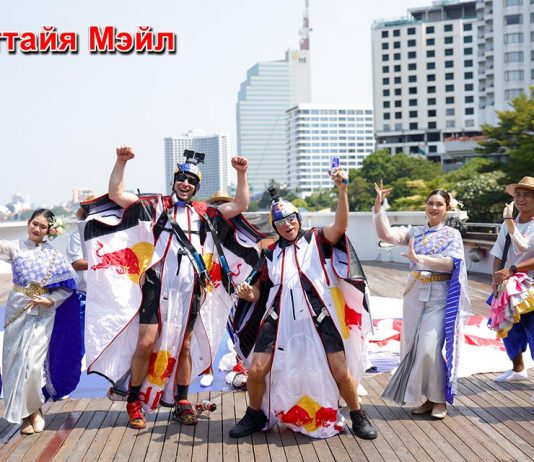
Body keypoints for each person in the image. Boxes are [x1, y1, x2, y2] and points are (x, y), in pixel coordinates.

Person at [84, 145, 259, 430]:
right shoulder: (156, 206)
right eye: (181, 178)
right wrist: (121, 161)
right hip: (156, 285)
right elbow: (116, 194)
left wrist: (242, 173)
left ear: (197, 187)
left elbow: (240, 204)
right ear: (174, 181)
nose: (185, 184)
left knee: (185, 345)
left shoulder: (205, 213)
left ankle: (182, 401)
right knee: (146, 342)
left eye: (191, 181)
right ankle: (134, 400)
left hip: (191, 288)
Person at [229, 167, 377, 440]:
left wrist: (342, 190)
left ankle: (357, 414)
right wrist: (249, 294)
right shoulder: (270, 252)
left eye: (290, 219)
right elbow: (258, 291)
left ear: (297, 218)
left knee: (340, 370)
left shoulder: (317, 239)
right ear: (275, 227)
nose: (287, 225)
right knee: (256, 370)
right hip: (278, 318)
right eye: (280, 222)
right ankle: (255, 414)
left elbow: (341, 225)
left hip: (319, 315)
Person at [373, 184, 470, 419]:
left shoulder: (452, 234)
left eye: (439, 204)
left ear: (447, 208)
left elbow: (451, 263)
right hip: (415, 293)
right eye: (430, 203)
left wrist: (421, 259)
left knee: (429, 346)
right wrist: (378, 207)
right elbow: (386, 235)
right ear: (425, 206)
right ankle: (428, 399)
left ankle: (439, 399)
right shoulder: (414, 232)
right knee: (413, 346)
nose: (434, 207)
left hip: (439, 296)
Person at [0, 209, 79, 434]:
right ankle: (25, 416)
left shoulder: (54, 255)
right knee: (14, 361)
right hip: (18, 308)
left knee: (33, 364)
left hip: (43, 311)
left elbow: (68, 287)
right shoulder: (14, 247)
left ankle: (35, 409)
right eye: (35, 223)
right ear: (28, 223)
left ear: (49, 230)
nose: (37, 229)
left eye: (43, 226)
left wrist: (50, 300)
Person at [490, 177, 534, 382]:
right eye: (518, 195)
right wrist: (495, 281)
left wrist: (513, 269)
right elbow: (498, 253)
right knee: (508, 329)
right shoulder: (507, 225)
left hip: (531, 287)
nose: (521, 199)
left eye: (527, 195)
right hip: (508, 287)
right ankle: (518, 369)